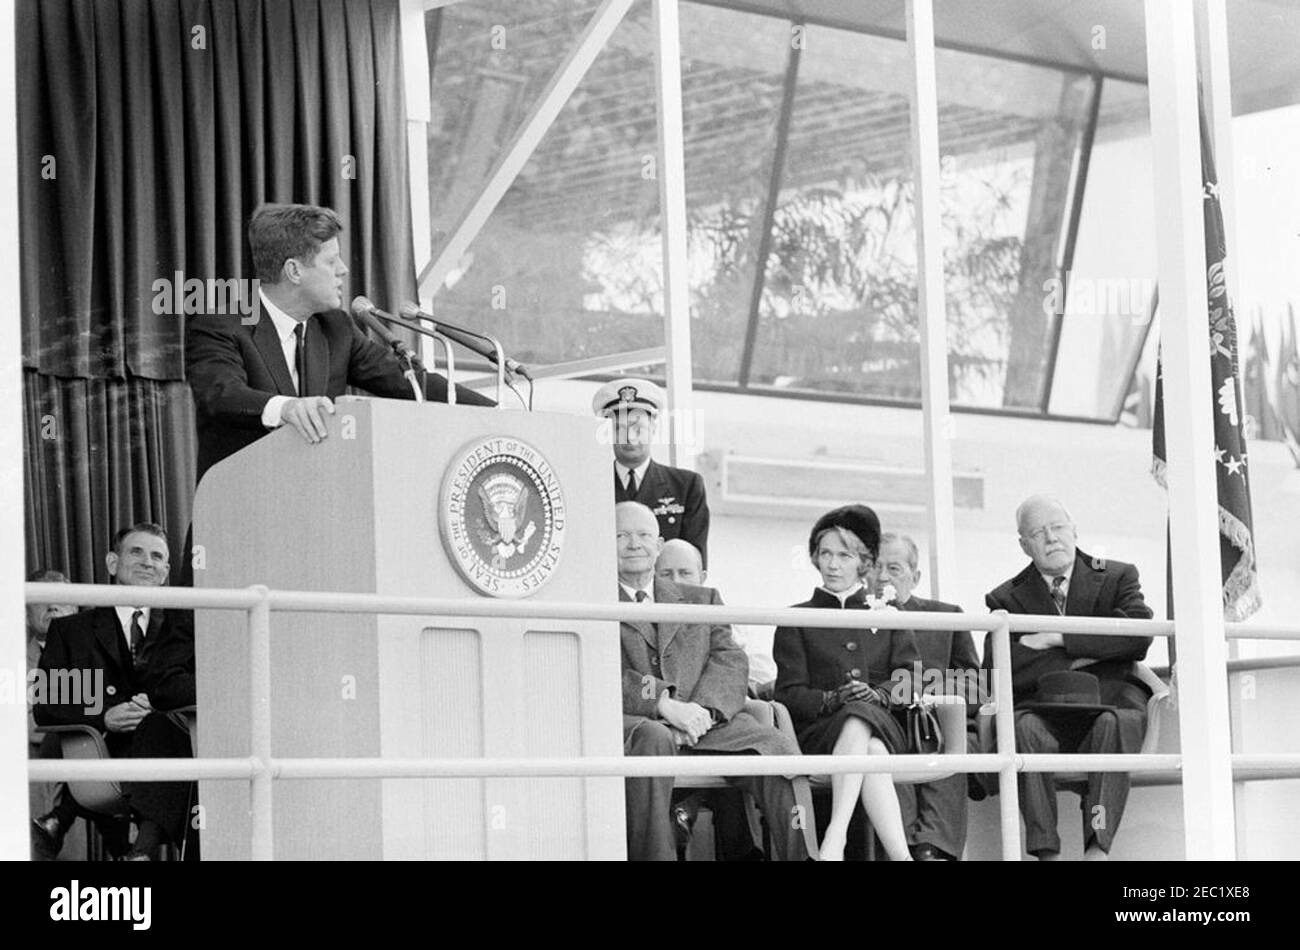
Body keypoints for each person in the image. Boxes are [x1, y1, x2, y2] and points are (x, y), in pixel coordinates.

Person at [186, 202, 493, 483]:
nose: (343, 269)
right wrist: (287, 408)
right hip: (237, 514)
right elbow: (221, 394)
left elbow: (410, 383)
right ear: (294, 270)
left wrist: (502, 412)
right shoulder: (220, 324)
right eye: (331, 261)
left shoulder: (336, 328)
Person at [617, 502, 806, 862]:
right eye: (621, 535)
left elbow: (730, 659)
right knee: (654, 737)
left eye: (643, 535)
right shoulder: (591, 601)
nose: (633, 544)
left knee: (775, 747)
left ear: (658, 546)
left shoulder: (702, 598)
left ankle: (803, 856)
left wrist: (702, 713)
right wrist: (663, 704)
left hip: (707, 723)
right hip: (638, 723)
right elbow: (598, 668)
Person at [983, 494, 1154, 861]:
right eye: (1038, 532)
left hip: (1109, 702)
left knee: (1113, 725)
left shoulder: (1118, 576)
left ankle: (1096, 846)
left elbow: (1138, 637)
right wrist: (1095, 651)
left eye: (1058, 527)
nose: (1051, 538)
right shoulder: (1005, 598)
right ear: (1024, 544)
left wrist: (1056, 639)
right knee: (1022, 730)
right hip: (1044, 708)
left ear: (1073, 529)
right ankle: (1047, 852)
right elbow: (1001, 670)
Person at [33, 523, 198, 861]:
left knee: (162, 728)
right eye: (136, 552)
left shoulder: (185, 626)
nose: (147, 562)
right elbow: (50, 703)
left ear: (167, 572)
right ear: (112, 563)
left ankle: (121, 847)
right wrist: (105, 715)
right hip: (102, 751)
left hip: (171, 748)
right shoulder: (74, 630)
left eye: (157, 556)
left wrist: (153, 706)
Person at [773, 505, 919, 862]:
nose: (833, 564)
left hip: (885, 723)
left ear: (864, 563)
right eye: (825, 554)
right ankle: (901, 857)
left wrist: (880, 695)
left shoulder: (886, 616)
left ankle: (833, 840)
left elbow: (912, 678)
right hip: (821, 733)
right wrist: (831, 698)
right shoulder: (795, 619)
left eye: (844, 555)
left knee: (863, 720)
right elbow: (788, 694)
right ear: (814, 558)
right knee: (870, 747)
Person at [876, 533, 980, 862]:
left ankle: (934, 850)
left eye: (893, 568)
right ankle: (905, 849)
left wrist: (926, 693)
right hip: (887, 722)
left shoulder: (946, 617)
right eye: (875, 567)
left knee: (945, 738)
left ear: (915, 577)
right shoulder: (856, 621)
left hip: (940, 721)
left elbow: (978, 686)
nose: (881, 577)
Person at [593, 378, 710, 567]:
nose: (629, 437)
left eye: (637, 428)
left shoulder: (686, 486)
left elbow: (692, 565)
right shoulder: (590, 485)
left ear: (653, 429)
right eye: (619, 429)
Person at [26, 569, 77, 858]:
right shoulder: (12, 658)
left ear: (76, 608)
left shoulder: (90, 655)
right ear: (25, 614)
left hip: (77, 779)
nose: (53, 606)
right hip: (29, 782)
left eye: (61, 599)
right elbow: (28, 727)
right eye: (42, 599)